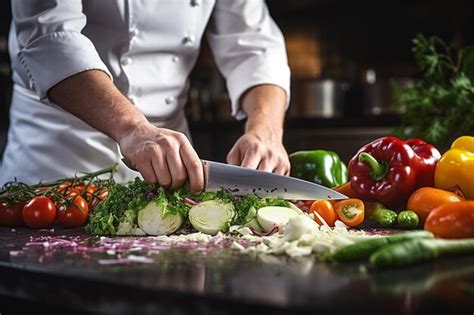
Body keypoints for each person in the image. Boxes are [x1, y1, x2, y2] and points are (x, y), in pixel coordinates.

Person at [0, 0, 291, 194]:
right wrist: (133, 129)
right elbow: (48, 37)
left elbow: (254, 45)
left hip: (169, 167)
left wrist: (265, 130)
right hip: (58, 164)